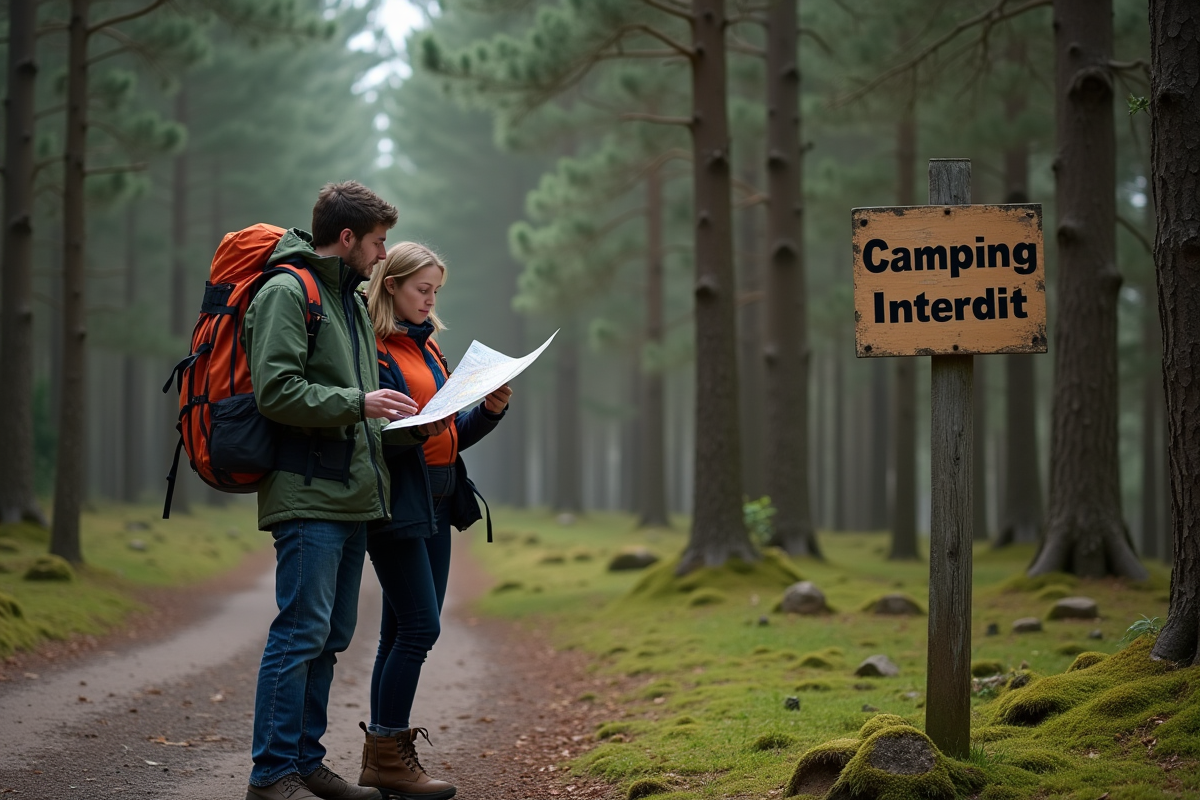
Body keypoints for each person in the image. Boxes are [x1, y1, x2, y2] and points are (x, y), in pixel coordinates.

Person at [243, 182, 427, 800]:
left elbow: (359, 410)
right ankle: (271, 775)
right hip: (307, 495)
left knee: (330, 637)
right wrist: (359, 402)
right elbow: (276, 391)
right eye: (377, 243)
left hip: (349, 498)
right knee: (300, 631)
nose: (383, 257)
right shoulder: (286, 292)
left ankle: (306, 761)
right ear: (346, 238)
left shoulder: (344, 300)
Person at [357, 243, 511, 800]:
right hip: (398, 503)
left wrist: (488, 410)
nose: (430, 300)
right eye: (422, 289)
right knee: (421, 628)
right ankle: (389, 756)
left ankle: (381, 757)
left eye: (436, 291)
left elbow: (449, 434)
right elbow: (377, 442)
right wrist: (422, 427)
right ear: (391, 284)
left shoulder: (431, 349)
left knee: (399, 630)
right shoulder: (371, 350)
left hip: (442, 501)